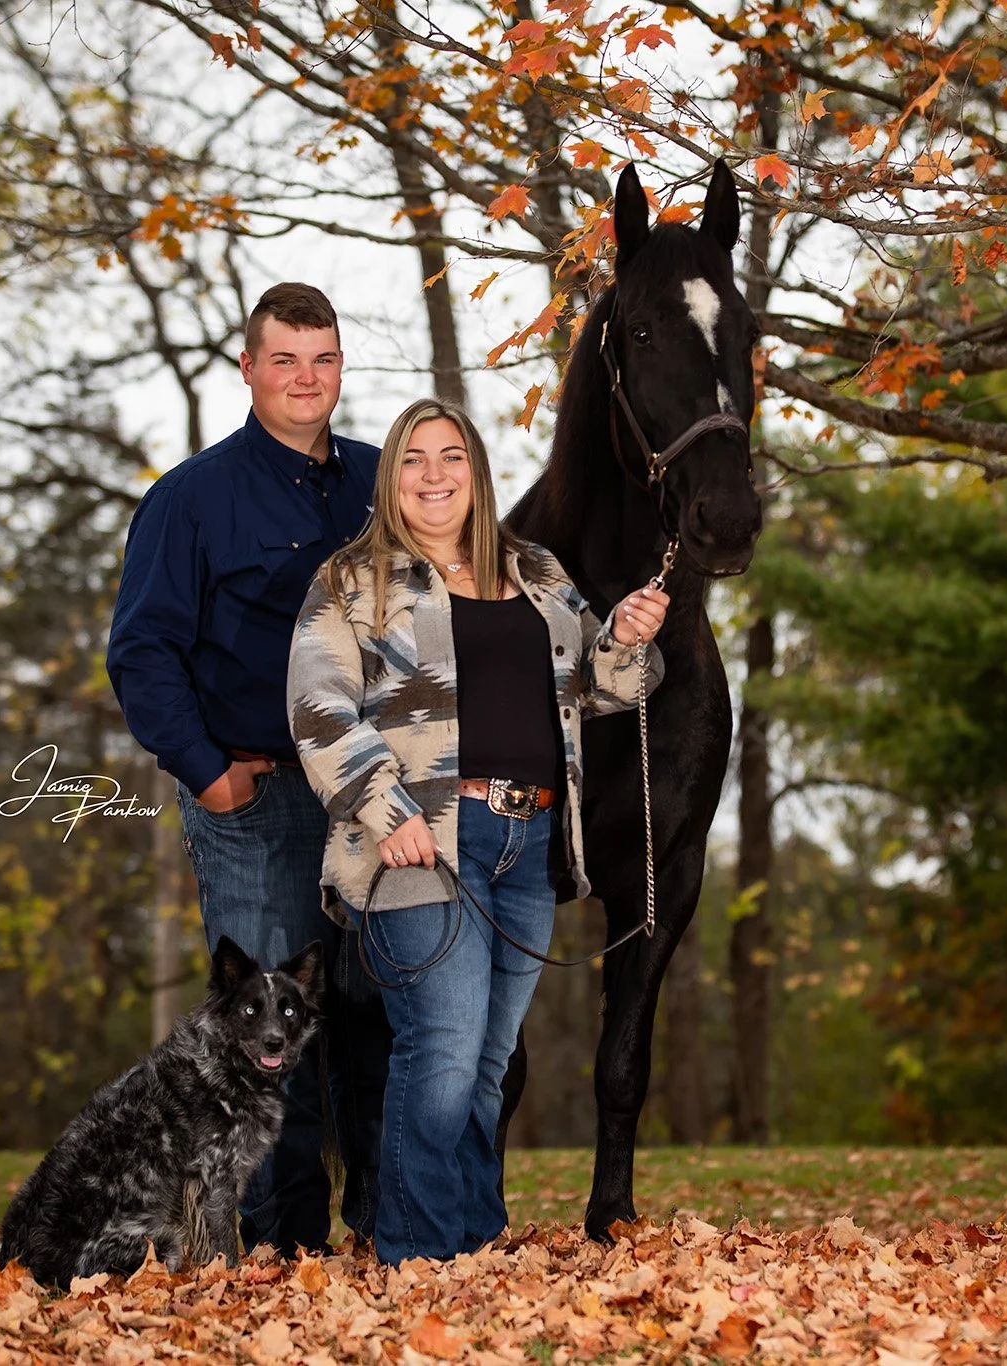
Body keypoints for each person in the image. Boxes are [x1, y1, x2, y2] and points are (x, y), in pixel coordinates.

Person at [287, 398, 669, 1264]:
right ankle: (417, 1254)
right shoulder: (355, 579)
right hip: (418, 845)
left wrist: (627, 638)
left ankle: (474, 1240)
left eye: (450, 457)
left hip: (528, 844)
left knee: (490, 1062)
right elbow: (316, 709)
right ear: (391, 478)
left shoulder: (534, 570)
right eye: (414, 460)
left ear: (476, 471)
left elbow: (602, 688)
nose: (434, 476)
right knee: (445, 1051)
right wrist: (390, 813)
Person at [106, 281, 386, 1256]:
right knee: (269, 1037)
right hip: (254, 798)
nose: (306, 379)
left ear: (340, 368)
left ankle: (384, 1235)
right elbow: (140, 650)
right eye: (285, 360)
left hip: (368, 796)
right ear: (249, 369)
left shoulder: (382, 484)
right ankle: (280, 1246)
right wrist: (206, 770)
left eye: (323, 359)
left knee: (373, 1013)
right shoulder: (190, 499)